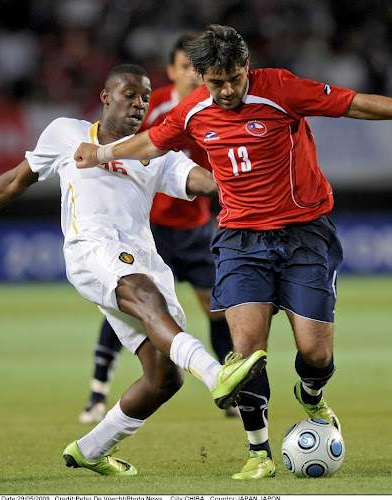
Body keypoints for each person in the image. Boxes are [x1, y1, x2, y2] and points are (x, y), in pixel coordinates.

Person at [73, 25, 392, 480]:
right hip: (241, 240)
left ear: (248, 68)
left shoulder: (280, 88)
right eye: (215, 81)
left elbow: (352, 102)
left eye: (234, 79)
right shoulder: (192, 109)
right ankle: (258, 452)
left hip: (305, 233)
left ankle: (312, 397)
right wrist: (102, 154)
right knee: (245, 353)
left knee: (315, 353)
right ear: (201, 75)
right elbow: (152, 142)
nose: (225, 91)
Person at [0, 63, 267, 477]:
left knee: (165, 377)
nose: (139, 104)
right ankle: (216, 374)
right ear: (105, 97)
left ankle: (90, 449)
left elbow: (203, 180)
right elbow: (15, 181)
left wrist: (250, 186)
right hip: (91, 250)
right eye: (129, 94)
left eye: (144, 97)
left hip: (142, 258)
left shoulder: (154, 151)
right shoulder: (66, 132)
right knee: (144, 295)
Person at [79, 34, 237, 425]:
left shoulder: (213, 107)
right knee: (131, 304)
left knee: (216, 311)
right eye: (185, 67)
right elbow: (117, 145)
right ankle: (97, 394)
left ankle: (231, 392)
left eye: (197, 69)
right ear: (171, 70)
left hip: (197, 229)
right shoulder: (150, 108)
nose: (192, 75)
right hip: (152, 231)